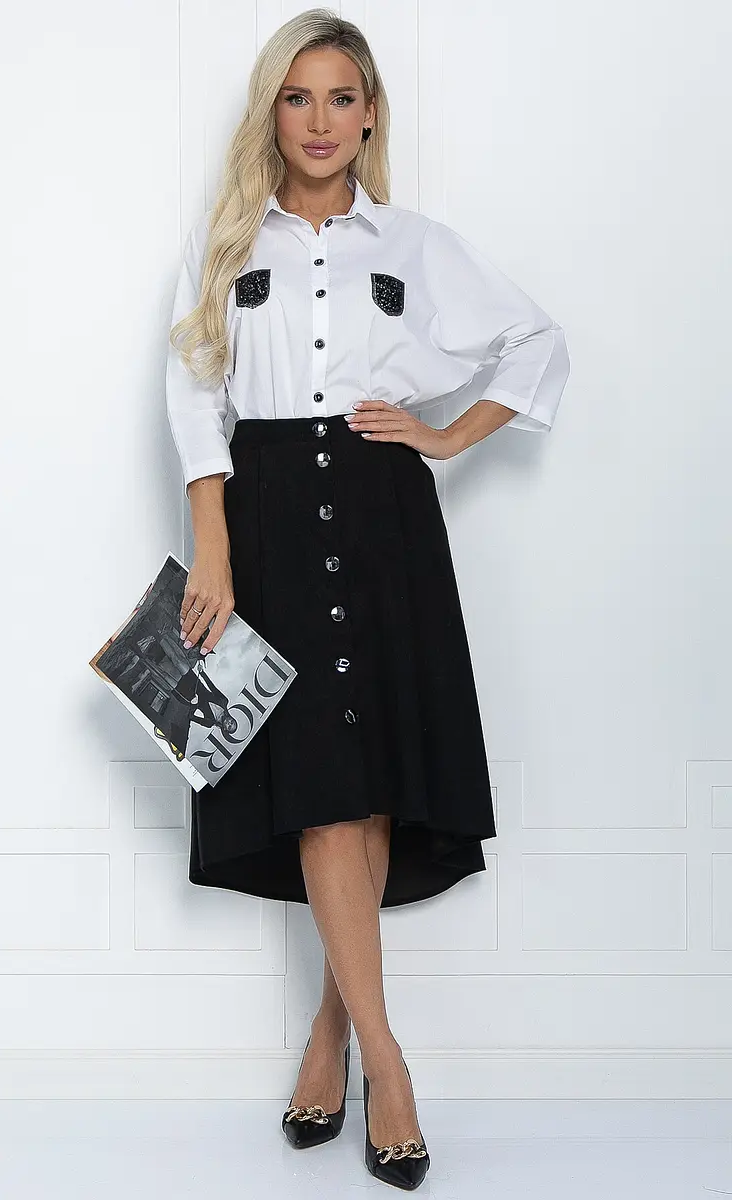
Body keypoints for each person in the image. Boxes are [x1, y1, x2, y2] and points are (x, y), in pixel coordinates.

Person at [165, 9, 570, 1189]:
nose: (319, 121)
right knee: (320, 791)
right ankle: (385, 1062)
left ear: (369, 112)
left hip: (383, 508)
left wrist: (443, 436)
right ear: (271, 113)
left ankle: (335, 1034)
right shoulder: (225, 243)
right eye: (297, 97)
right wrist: (211, 549)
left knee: (371, 778)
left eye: (340, 97)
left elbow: (536, 341)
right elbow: (194, 398)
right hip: (265, 516)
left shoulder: (415, 243)